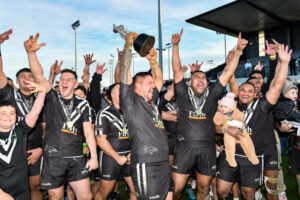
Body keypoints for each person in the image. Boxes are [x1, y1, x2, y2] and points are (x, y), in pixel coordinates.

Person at [171, 28, 247, 199]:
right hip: (185, 148)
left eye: (203, 78)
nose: (200, 80)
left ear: (207, 83)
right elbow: (177, 70)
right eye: (196, 77)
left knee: (204, 189)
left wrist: (238, 52)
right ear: (190, 81)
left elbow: (227, 72)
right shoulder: (182, 93)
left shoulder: (212, 94)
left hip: (207, 148)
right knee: (176, 189)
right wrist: (175, 46)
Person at [24, 33, 98, 200]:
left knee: (86, 197)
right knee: (55, 196)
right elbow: (39, 77)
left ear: (76, 84)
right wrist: (31, 53)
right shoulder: (52, 98)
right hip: (53, 158)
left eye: (68, 79)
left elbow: (88, 133)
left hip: (76, 158)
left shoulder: (83, 103)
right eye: (62, 79)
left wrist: (93, 157)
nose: (64, 82)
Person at [217, 42, 292, 199]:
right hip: (234, 153)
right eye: (242, 89)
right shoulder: (232, 104)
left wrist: (283, 62)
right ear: (238, 91)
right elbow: (229, 76)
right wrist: (232, 56)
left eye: (251, 90)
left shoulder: (263, 104)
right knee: (222, 190)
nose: (246, 92)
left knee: (254, 191)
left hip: (257, 153)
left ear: (256, 94)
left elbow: (277, 85)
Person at [119, 32, 173, 200]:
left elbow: (160, 80)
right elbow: (124, 71)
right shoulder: (131, 103)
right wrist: (128, 45)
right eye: (149, 83)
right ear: (137, 86)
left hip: (163, 161)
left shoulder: (152, 102)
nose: (154, 86)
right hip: (146, 163)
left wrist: (153, 61)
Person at [0, 29, 44, 200]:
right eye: (22, 76)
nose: (26, 78)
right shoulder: (9, 95)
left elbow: (48, 127)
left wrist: (41, 148)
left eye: (29, 75)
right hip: (12, 148)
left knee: (34, 187)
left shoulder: (41, 100)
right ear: (17, 81)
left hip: (34, 151)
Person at [0, 80, 46, 200]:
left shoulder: (20, 129)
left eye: (12, 113)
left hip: (22, 193)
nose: (8, 116)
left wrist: (42, 91)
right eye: (3, 113)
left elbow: (35, 112)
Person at [95, 83, 137, 200]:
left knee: (136, 190)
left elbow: (139, 135)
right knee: (104, 192)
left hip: (130, 156)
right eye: (120, 89)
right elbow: (100, 140)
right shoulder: (104, 113)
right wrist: (117, 157)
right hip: (110, 157)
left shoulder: (132, 112)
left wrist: (133, 152)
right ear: (112, 94)